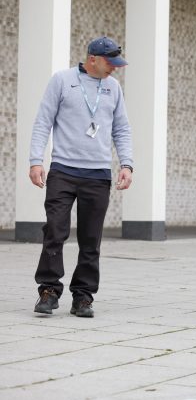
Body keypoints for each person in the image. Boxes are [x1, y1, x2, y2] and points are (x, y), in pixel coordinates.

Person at [29, 36, 134, 318]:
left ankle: (83, 297)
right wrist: (35, 160)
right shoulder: (62, 80)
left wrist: (127, 164)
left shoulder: (113, 88)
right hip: (63, 170)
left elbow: (121, 129)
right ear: (92, 60)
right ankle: (49, 291)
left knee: (91, 239)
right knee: (55, 231)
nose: (114, 69)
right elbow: (43, 121)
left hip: (98, 174)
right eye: (110, 63)